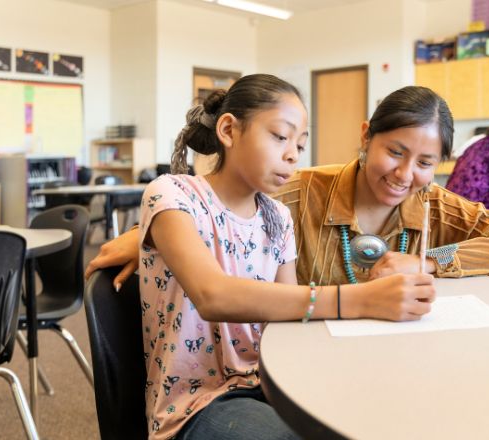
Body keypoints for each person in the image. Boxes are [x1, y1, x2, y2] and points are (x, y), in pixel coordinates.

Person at [133, 74, 436, 440]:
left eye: (300, 144)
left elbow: (290, 316)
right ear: (228, 130)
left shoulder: (277, 217)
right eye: (280, 137)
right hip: (198, 404)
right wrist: (357, 300)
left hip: (273, 382)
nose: (292, 154)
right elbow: (213, 295)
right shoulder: (172, 193)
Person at [86, 86, 489, 288]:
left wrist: (428, 261)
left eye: (426, 162)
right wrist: (147, 235)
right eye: (395, 152)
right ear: (366, 137)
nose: (405, 174)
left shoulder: (432, 204)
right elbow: (211, 205)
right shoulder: (301, 190)